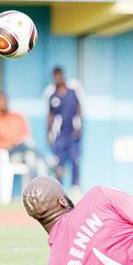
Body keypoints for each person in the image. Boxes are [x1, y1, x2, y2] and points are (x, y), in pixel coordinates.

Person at [0, 92, 48, 180]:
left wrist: (19, 143)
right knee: (27, 146)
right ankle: (50, 163)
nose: (3, 103)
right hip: (10, 153)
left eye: (4, 100)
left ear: (7, 101)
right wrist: (11, 144)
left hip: (24, 149)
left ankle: (33, 190)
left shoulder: (18, 116)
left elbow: (26, 135)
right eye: (0, 101)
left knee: (31, 157)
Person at [46, 67, 82, 200]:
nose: (57, 79)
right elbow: (50, 115)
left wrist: (79, 125)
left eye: (59, 76)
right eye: (55, 76)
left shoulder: (72, 93)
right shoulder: (53, 96)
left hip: (72, 134)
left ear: (63, 76)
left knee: (75, 160)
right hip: (59, 135)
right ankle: (59, 190)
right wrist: (48, 133)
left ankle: (75, 187)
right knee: (59, 162)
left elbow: (79, 109)